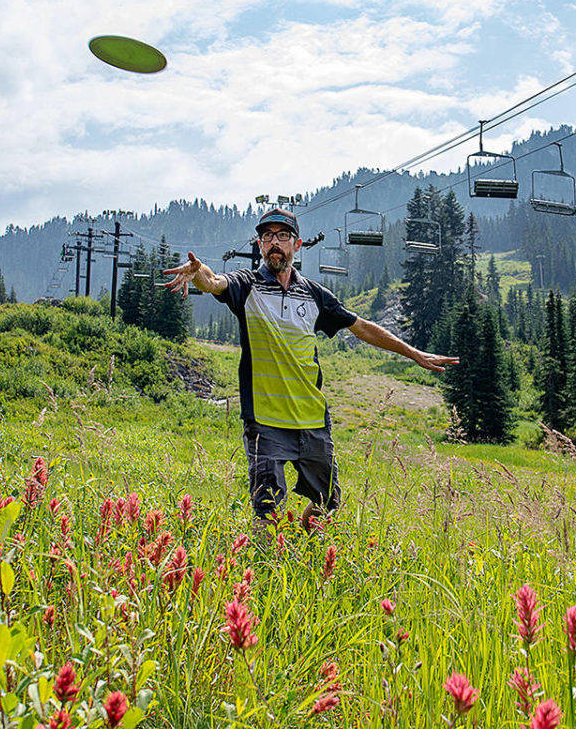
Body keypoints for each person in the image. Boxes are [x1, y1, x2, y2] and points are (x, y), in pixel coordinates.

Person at [163, 207, 458, 531]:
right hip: (264, 419)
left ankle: (307, 538)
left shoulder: (316, 295)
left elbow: (362, 327)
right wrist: (199, 270)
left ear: (297, 245)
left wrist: (412, 353)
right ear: (260, 245)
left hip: (311, 418)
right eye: (268, 236)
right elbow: (215, 282)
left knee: (327, 502)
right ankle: (265, 569)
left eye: (283, 236)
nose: (275, 242)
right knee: (267, 510)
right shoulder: (246, 286)